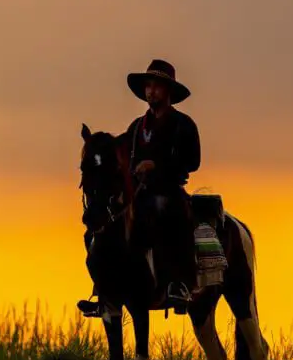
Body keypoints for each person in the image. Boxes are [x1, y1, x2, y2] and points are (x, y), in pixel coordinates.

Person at [79, 59, 201, 317]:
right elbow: (122, 154)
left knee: (167, 217)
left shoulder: (183, 124)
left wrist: (156, 165)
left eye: (156, 86)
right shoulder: (136, 127)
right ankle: (104, 290)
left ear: (168, 91)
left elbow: (193, 161)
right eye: (148, 86)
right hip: (140, 192)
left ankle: (178, 283)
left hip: (169, 190)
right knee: (101, 226)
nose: (151, 92)